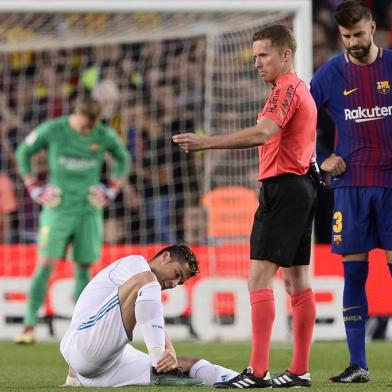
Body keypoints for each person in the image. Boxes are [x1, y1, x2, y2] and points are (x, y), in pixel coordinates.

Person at [173, 25, 318, 389]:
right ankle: (299, 370)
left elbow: (263, 132)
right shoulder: (296, 89)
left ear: (286, 54)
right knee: (297, 280)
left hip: (284, 189)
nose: (256, 63)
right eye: (254, 56)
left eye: (263, 55)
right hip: (299, 187)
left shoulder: (285, 89)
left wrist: (206, 143)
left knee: (258, 278)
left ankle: (257, 372)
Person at [310, 0, 392, 383]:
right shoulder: (328, 75)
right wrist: (321, 158)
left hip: (391, 186)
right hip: (352, 188)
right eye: (346, 36)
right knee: (354, 276)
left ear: (372, 27)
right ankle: (358, 365)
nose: (353, 42)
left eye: (358, 33)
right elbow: (302, 126)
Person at [14, 95, 130, 344]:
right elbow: (23, 151)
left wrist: (111, 188)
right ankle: (28, 326)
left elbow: (123, 157)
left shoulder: (102, 134)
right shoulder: (53, 129)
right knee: (45, 265)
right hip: (58, 208)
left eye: (93, 124)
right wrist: (33, 186)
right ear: (76, 111)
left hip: (88, 210)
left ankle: (81, 330)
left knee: (84, 271)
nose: (89, 129)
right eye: (85, 123)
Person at [60, 244, 239, 387]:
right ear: (165, 256)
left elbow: (93, 313)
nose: (174, 284)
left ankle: (239, 379)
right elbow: (90, 324)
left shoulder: (140, 289)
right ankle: (161, 370)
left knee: (188, 365)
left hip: (101, 368)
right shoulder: (136, 265)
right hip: (82, 348)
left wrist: (170, 350)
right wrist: (163, 350)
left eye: (180, 282)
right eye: (177, 274)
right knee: (147, 280)